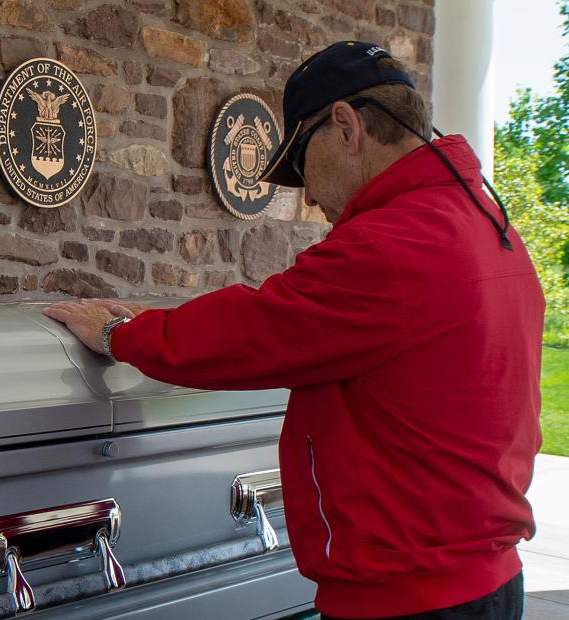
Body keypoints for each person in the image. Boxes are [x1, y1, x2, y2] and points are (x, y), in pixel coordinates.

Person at [44, 41, 543, 620]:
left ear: (346, 126)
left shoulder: (389, 247)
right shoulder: (488, 224)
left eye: (303, 163)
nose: (306, 194)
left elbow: (250, 330)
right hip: (490, 580)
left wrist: (117, 336)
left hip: (408, 600)